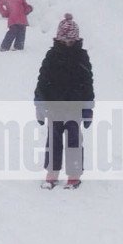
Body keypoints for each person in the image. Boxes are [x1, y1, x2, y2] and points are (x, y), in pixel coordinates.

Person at [34, 13, 94, 189]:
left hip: (75, 107)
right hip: (55, 107)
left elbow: (87, 83)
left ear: (76, 39)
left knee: (74, 141)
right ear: (59, 38)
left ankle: (74, 175)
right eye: (65, 39)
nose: (68, 43)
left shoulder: (81, 56)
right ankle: (52, 173)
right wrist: (40, 105)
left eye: (71, 40)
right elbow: (42, 81)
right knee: (54, 140)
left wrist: (88, 108)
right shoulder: (52, 56)